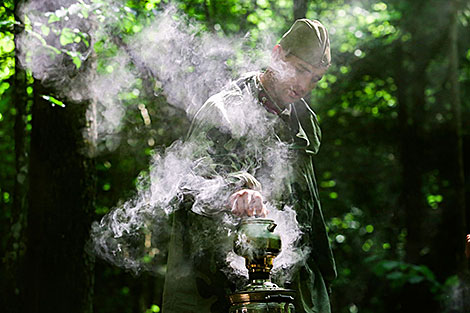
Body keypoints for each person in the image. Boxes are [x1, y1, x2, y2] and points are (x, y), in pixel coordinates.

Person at [162, 19, 336, 313]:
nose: (305, 86)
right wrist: (234, 189)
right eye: (300, 70)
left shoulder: (303, 123)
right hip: (219, 291)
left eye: (316, 78)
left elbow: (309, 217)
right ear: (277, 55)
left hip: (291, 292)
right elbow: (189, 184)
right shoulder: (225, 111)